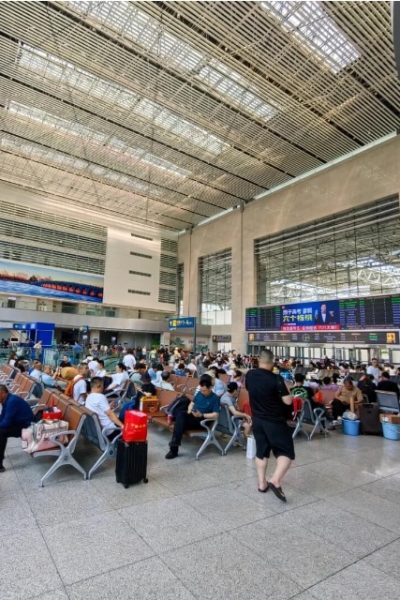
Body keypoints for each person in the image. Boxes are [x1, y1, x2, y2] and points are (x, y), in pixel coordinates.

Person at [245, 349, 294, 502]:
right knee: (286, 452)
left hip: (257, 419)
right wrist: (288, 390)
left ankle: (262, 484)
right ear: (272, 362)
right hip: (275, 421)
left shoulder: (250, 375)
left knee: (262, 452)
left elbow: (251, 390)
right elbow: (288, 401)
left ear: (259, 360)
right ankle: (275, 480)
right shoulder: (276, 379)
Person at [165, 374, 220, 459]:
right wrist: (190, 410)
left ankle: (173, 449)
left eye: (204, 390)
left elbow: (216, 415)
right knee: (181, 414)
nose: (202, 392)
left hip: (202, 421)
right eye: (201, 390)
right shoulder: (199, 394)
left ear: (210, 388)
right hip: (193, 416)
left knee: (180, 421)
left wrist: (202, 414)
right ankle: (174, 447)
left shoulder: (215, 398)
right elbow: (192, 403)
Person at [0, 384, 34, 473]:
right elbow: (3, 417)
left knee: (2, 432)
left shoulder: (12, 401)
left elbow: (6, 422)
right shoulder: (5, 400)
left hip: (26, 427)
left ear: (3, 393)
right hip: (17, 423)